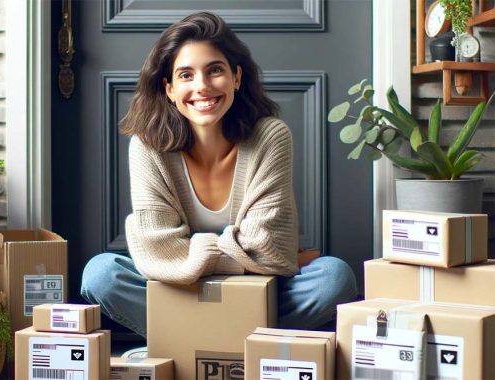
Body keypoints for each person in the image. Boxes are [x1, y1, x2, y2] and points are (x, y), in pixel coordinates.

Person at [81, 11, 357, 347]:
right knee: (101, 274)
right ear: (169, 89)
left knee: (334, 278)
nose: (202, 86)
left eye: (215, 70)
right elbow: (158, 250)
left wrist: (186, 256)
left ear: (236, 77)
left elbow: (267, 249)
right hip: (180, 291)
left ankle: (194, 344)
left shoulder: (270, 136)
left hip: (255, 291)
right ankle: (241, 345)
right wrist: (236, 252)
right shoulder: (148, 145)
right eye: (186, 75)